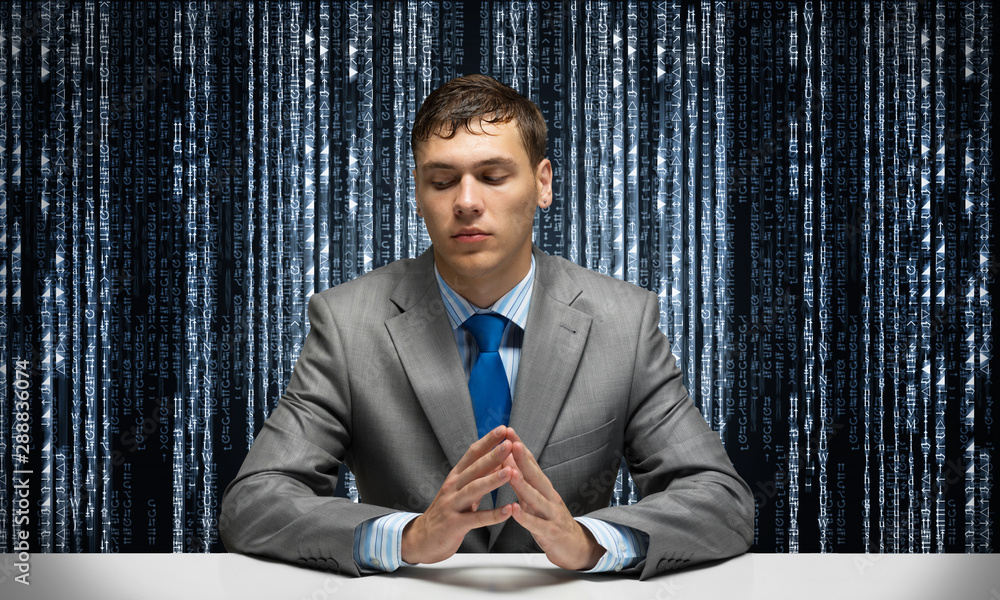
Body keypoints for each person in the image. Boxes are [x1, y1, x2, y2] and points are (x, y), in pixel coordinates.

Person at [220, 74, 754, 579]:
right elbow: (254, 503)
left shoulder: (624, 322)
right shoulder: (347, 323)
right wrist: (406, 537)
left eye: (494, 176)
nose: (467, 201)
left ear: (543, 185)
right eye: (442, 180)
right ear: (418, 194)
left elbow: (720, 501)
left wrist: (590, 542)